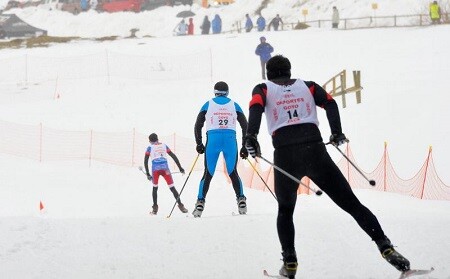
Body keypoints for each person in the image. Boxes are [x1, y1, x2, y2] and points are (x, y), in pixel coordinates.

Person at [244, 55, 411, 278]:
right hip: (315, 151)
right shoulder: (309, 86)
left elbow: (255, 107)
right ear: (290, 71)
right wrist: (336, 131)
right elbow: (330, 102)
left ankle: (290, 261)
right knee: (353, 204)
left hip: (285, 155)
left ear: (269, 74)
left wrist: (251, 137)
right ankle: (384, 245)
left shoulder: (263, 89)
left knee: (285, 210)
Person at [192, 81, 249, 218]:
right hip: (230, 139)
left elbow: (197, 125)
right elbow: (245, 125)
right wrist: (244, 146)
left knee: (208, 173)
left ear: (215, 92)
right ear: (227, 92)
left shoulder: (208, 104)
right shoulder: (234, 105)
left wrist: (199, 144)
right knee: (233, 171)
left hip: (213, 140)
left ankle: (200, 203)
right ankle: (241, 200)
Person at [144, 133, 187, 215]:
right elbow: (173, 156)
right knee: (172, 188)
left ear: (150, 141)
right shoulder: (164, 145)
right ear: (157, 139)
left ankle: (155, 209)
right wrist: (180, 168)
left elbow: (145, 161)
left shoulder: (150, 147)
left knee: (155, 188)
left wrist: (148, 173)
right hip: (165, 169)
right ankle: (181, 206)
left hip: (155, 170)